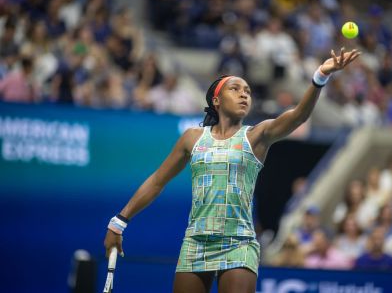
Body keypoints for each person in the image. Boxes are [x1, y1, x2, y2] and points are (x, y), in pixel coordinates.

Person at [103, 47, 361, 293]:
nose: (244, 94)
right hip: (196, 241)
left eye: (247, 91)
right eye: (235, 88)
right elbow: (158, 180)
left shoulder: (257, 135)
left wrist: (320, 76)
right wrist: (119, 222)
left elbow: (298, 117)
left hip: (238, 243)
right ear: (216, 100)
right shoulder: (192, 138)